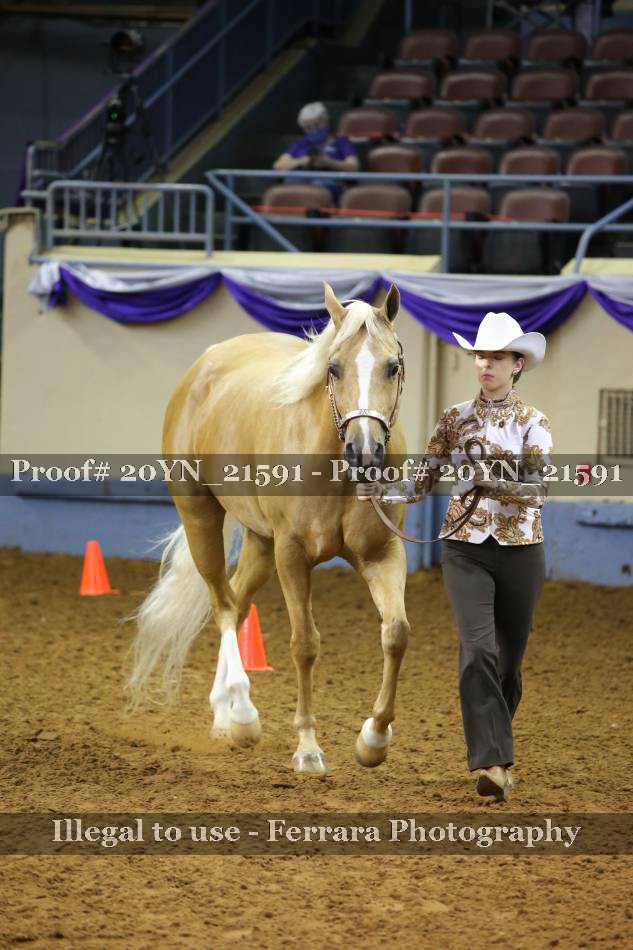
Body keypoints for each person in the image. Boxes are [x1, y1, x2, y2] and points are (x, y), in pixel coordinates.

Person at [357, 311, 553, 802]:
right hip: (464, 549)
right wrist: (383, 491)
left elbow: (539, 492)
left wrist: (492, 481)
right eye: (481, 356)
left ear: (517, 365)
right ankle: (491, 763)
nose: (486, 365)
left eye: (497, 358)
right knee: (478, 650)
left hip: (521, 551)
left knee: (508, 665)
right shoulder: (454, 419)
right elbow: (422, 481)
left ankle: (496, 751)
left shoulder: (533, 423)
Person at [273, 101, 359, 204]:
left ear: (326, 122)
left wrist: (330, 163)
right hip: (302, 180)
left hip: (330, 181)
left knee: (318, 187)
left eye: (317, 125)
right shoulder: (301, 143)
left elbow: (354, 166)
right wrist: (301, 161)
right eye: (308, 127)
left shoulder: (341, 141)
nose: (313, 130)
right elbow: (278, 165)